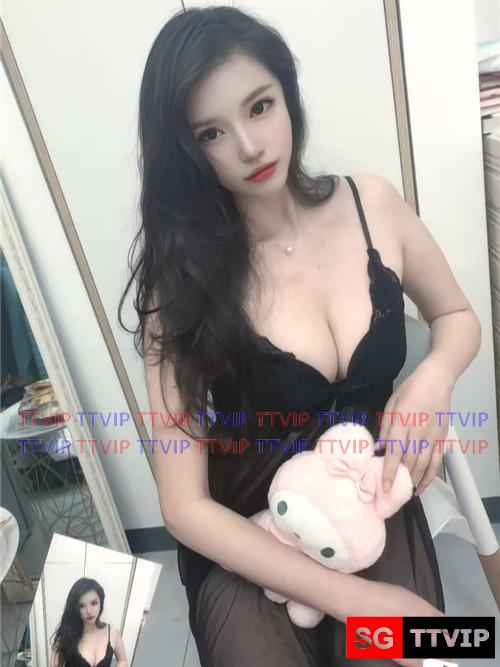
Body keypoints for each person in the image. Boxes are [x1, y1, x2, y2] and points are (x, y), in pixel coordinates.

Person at [118, 6, 481, 666]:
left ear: (288, 94)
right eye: (211, 133)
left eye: (260, 107)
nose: (249, 146)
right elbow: (184, 506)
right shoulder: (181, 285)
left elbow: (457, 316)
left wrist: (434, 377)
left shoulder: (373, 204)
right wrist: (354, 600)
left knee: (424, 649)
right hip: (247, 535)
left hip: (364, 503)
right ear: (187, 152)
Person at [49, 578, 127, 667]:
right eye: (81, 606)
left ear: (101, 602)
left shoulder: (113, 633)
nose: (89, 611)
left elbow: (122, 660)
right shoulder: (67, 635)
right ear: (74, 608)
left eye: (94, 603)